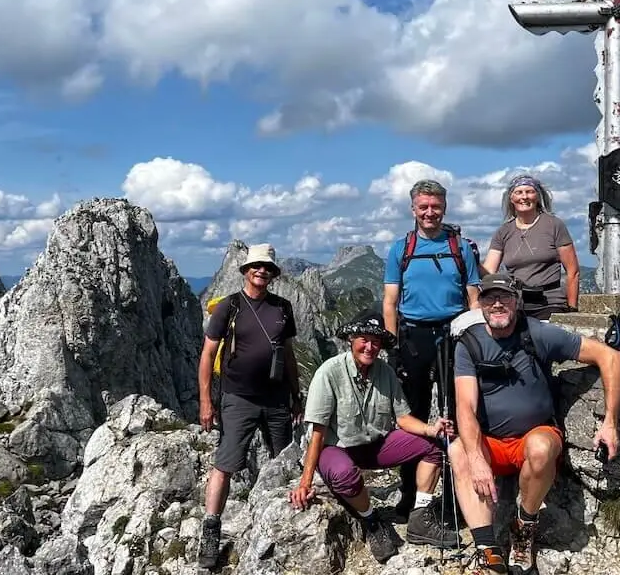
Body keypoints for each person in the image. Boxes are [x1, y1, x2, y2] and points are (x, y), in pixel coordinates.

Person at [450, 272, 620, 574]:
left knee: (542, 447)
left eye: (504, 297)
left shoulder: (538, 334)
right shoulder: (468, 345)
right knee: (458, 452)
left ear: (517, 302)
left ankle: (524, 528)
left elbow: (610, 357)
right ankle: (488, 551)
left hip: (536, 433)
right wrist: (477, 458)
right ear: (480, 305)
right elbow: (464, 406)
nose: (497, 304)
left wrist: (610, 422)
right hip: (491, 439)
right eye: (490, 298)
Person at [289, 312, 462, 562]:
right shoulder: (329, 372)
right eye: (363, 339)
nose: (369, 347)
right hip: (337, 448)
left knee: (432, 447)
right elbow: (318, 432)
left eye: (376, 341)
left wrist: (431, 429)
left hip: (376, 445)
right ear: (351, 339)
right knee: (344, 475)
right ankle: (372, 522)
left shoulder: (386, 372)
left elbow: (402, 418)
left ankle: (420, 517)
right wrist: (305, 482)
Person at [197, 243, 304, 570]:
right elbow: (207, 356)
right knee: (225, 464)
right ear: (245, 270)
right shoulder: (228, 307)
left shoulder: (283, 307)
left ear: (272, 274)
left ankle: (289, 524)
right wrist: (206, 401)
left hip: (276, 399)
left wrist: (296, 396)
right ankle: (211, 531)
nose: (261, 271)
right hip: (237, 399)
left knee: (285, 461)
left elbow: (287, 356)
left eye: (267, 267)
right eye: (256, 266)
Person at [382, 178, 482, 520]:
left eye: (435, 206)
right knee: (413, 417)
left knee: (459, 414)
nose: (429, 212)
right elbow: (390, 301)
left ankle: (458, 497)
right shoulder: (401, 249)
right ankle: (410, 496)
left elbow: (473, 296)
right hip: (413, 338)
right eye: (423, 206)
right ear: (413, 209)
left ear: (444, 208)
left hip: (455, 334)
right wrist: (392, 344)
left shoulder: (460, 247)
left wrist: (476, 335)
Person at [481, 174, 581, 319]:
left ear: (538, 196)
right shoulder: (503, 232)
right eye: (519, 192)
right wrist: (469, 256)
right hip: (516, 304)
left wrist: (572, 310)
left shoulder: (554, 225)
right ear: (511, 198)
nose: (524, 197)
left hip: (549, 303)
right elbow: (489, 271)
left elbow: (573, 271)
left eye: (529, 191)